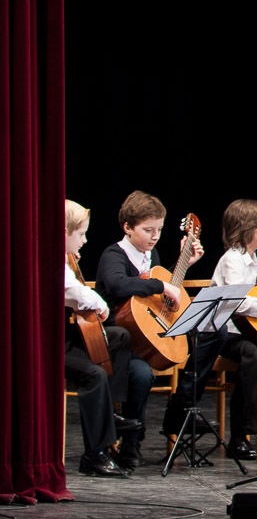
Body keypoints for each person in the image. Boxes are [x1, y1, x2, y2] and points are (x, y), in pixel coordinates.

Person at [162, 199, 257, 460]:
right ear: (247, 228)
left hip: (237, 333)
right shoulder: (232, 261)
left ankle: (241, 436)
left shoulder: (254, 261)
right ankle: (231, 433)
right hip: (215, 329)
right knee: (250, 354)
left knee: (252, 355)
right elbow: (236, 302)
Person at [95, 190, 203, 468]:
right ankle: (125, 440)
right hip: (112, 343)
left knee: (147, 370)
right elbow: (120, 285)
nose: (154, 236)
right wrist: (161, 285)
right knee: (141, 374)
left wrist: (182, 265)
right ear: (128, 228)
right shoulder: (114, 254)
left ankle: (136, 440)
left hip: (141, 340)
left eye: (159, 230)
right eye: (147, 230)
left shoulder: (150, 254)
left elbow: (151, 294)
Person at [64, 199, 142, 477]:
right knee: (94, 375)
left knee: (119, 336)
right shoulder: (52, 262)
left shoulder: (66, 260)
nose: (85, 240)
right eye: (81, 233)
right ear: (64, 232)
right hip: (48, 345)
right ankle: (94, 455)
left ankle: (110, 411)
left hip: (66, 337)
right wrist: (99, 303)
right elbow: (74, 293)